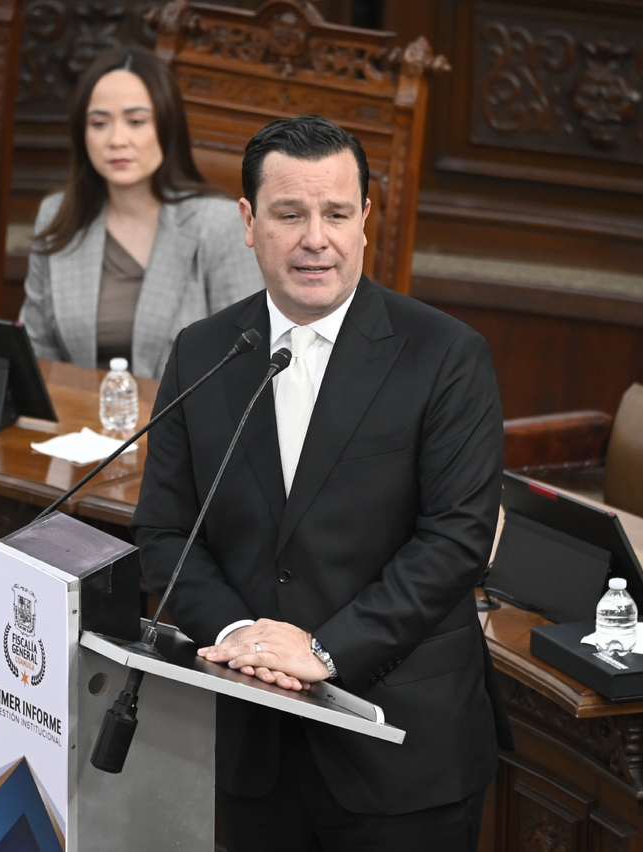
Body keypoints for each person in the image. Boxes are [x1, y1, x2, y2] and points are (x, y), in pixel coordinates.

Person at [131, 114, 512, 851]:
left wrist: (326, 651)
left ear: (365, 219)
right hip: (253, 747)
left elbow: (457, 540)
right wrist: (239, 635)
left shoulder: (445, 356)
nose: (316, 239)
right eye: (289, 214)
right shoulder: (203, 352)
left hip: (401, 757)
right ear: (248, 223)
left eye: (336, 214)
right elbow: (166, 529)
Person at [19, 46, 263, 380]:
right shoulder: (58, 214)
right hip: (74, 409)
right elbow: (36, 353)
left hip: (183, 412)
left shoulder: (219, 226)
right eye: (99, 123)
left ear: (167, 126)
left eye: (136, 122)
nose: (117, 140)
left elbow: (244, 361)